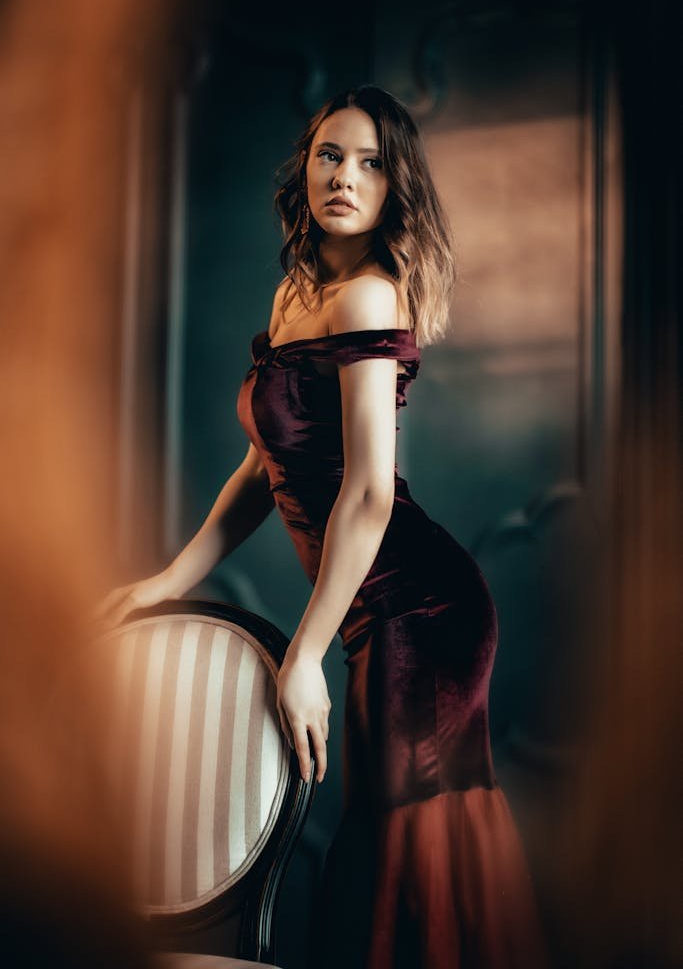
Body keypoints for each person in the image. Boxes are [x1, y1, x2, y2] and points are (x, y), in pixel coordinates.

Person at [97, 85, 552, 969]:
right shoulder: (296, 293)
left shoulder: (369, 296)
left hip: (422, 610)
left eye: (372, 163)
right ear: (304, 170)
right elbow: (260, 471)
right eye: (330, 155)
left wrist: (302, 653)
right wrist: (164, 581)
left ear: (394, 188)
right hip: (369, 613)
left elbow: (370, 493)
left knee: (405, 839)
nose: (346, 176)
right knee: (383, 836)